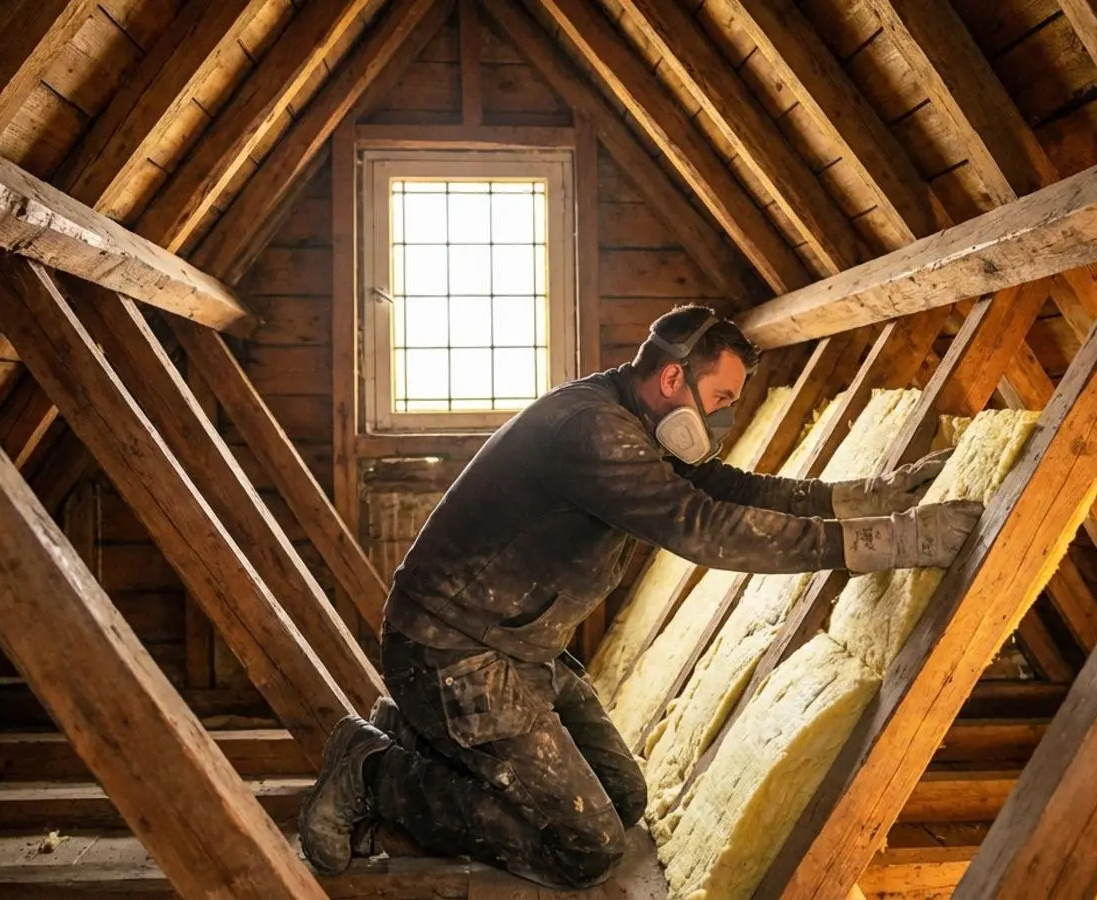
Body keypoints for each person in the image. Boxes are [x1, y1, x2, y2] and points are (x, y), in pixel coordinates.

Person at [299, 305, 982, 887]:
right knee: (587, 849)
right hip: (453, 655)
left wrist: (858, 499)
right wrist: (885, 543)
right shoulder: (593, 432)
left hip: (519, 650)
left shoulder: (626, 416)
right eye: (718, 401)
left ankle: (411, 733)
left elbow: (724, 488)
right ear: (672, 377)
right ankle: (376, 771)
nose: (720, 420)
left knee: (622, 801)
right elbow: (706, 529)